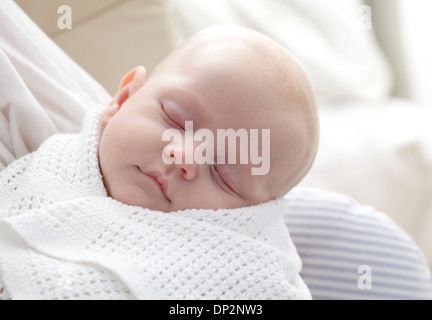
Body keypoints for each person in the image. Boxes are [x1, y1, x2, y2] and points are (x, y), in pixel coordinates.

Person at [0, 25, 318, 300]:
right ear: (123, 98)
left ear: (251, 216)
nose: (184, 157)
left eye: (223, 174)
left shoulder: (241, 271)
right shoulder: (47, 166)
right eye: (176, 121)